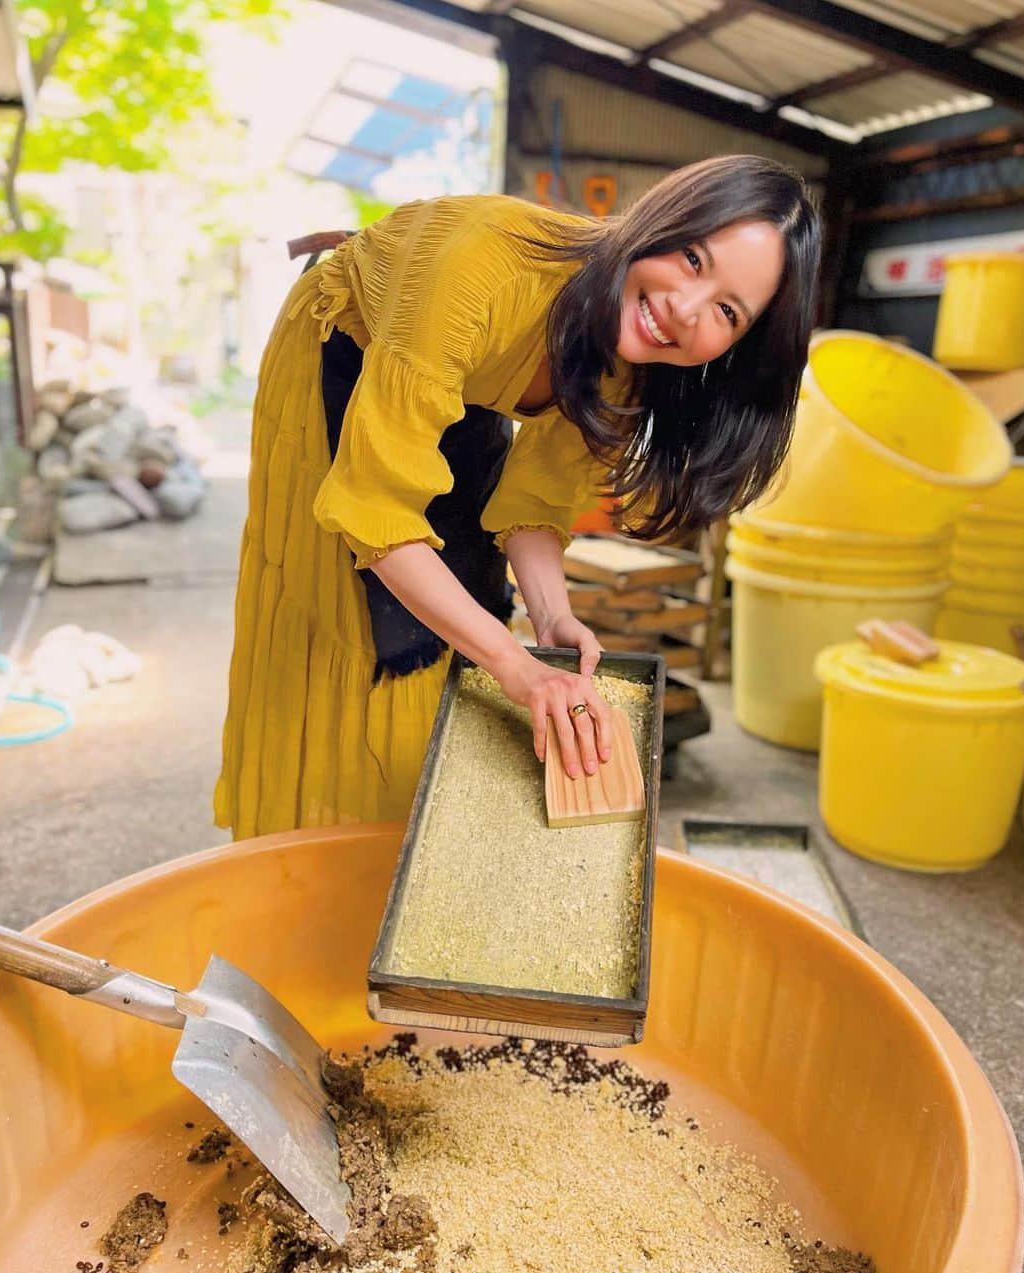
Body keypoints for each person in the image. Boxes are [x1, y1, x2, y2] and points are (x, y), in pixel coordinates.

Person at [215, 154, 820, 840]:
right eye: (690, 258)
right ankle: (315, 842)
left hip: (458, 373)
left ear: (737, 349)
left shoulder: (634, 344)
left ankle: (414, 825)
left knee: (472, 600)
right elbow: (378, 511)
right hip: (348, 346)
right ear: (661, 221)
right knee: (349, 611)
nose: (684, 309)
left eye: (726, 311)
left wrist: (553, 618)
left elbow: (536, 496)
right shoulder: (480, 268)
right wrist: (515, 668)